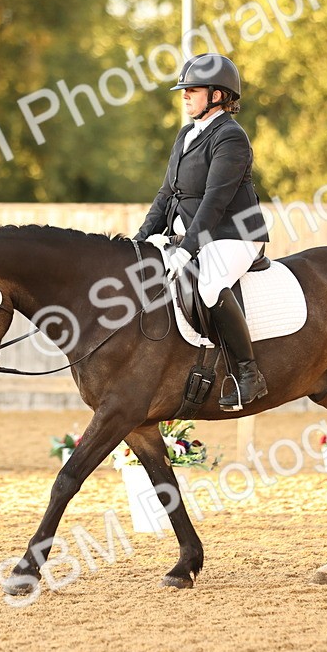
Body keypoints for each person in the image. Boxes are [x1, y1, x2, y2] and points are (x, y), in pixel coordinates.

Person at [133, 53, 270, 411]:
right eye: (184, 89)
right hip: (192, 236)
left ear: (218, 95)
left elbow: (215, 200)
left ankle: (248, 374)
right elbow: (167, 194)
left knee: (209, 284)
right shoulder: (186, 134)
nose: (184, 95)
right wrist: (141, 238)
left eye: (192, 89)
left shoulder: (231, 137)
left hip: (235, 234)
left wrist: (188, 246)